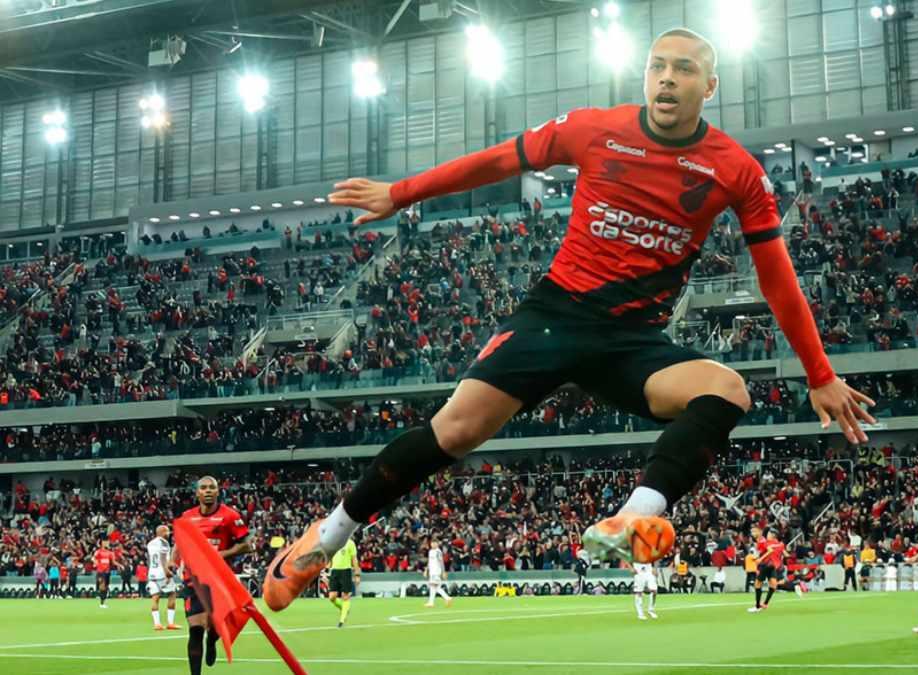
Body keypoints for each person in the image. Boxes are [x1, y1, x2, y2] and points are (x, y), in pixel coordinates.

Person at [263, 26, 876, 612]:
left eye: (683, 70)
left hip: (630, 341)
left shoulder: (735, 169)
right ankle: (327, 539)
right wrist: (402, 194)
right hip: (554, 317)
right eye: (656, 67)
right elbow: (500, 160)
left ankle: (637, 515)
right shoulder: (594, 130)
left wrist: (819, 373)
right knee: (454, 433)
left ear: (708, 87)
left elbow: (776, 276)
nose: (666, 80)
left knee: (727, 390)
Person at [175, 476, 251, 675]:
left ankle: (212, 640)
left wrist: (219, 555)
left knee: (214, 627)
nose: (207, 491)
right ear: (197, 493)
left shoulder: (229, 516)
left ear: (218, 492)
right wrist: (170, 561)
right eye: (203, 488)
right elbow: (179, 541)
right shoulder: (187, 517)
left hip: (219, 581)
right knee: (195, 628)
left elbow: (246, 545)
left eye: (212, 488)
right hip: (194, 580)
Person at [146, 524, 180, 631]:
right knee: (172, 594)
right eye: (167, 531)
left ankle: (157, 624)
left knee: (155, 598)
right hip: (162, 573)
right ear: (160, 532)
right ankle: (170, 623)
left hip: (152, 573)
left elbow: (150, 559)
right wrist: (167, 572)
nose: (168, 533)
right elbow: (163, 558)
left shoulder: (150, 543)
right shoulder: (164, 543)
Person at [749, 528, 784, 612]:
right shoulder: (778, 544)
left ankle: (757, 607)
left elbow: (770, 550)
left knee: (757, 584)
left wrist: (760, 559)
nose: (767, 535)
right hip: (773, 565)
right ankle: (765, 604)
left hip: (766, 565)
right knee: (773, 585)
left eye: (768, 534)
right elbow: (783, 553)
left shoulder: (764, 542)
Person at [327, 538, 360, 627]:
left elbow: (354, 559)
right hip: (334, 571)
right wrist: (328, 568)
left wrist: (357, 575)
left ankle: (342, 620)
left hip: (346, 571)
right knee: (332, 597)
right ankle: (344, 608)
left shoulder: (350, 543)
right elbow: (330, 557)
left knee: (345, 596)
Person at [92, 539, 119, 609]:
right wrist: (95, 562)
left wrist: (120, 565)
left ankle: (103, 600)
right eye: (105, 542)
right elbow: (93, 558)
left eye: (107, 542)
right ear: (102, 544)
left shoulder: (110, 553)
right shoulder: (98, 552)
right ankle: (101, 603)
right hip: (100, 571)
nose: (107, 543)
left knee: (106, 587)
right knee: (102, 586)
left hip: (107, 572)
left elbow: (113, 562)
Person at [425, 539, 452, 608]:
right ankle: (432, 602)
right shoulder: (430, 551)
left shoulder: (438, 551)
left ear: (437, 544)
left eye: (434, 543)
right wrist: (426, 570)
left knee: (434, 586)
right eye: (432, 543)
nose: (433, 544)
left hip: (436, 571)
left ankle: (447, 598)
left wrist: (443, 571)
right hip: (432, 571)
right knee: (434, 587)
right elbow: (429, 561)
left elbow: (441, 562)